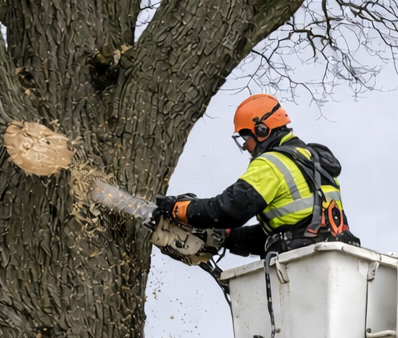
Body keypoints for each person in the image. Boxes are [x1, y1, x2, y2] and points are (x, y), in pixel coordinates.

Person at [153, 93, 358, 258]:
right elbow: (287, 231)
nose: (246, 146)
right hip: (336, 255)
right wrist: (226, 237)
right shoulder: (311, 159)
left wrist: (178, 209)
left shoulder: (271, 163)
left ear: (261, 130)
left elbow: (228, 209)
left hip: (302, 262)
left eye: (245, 136)